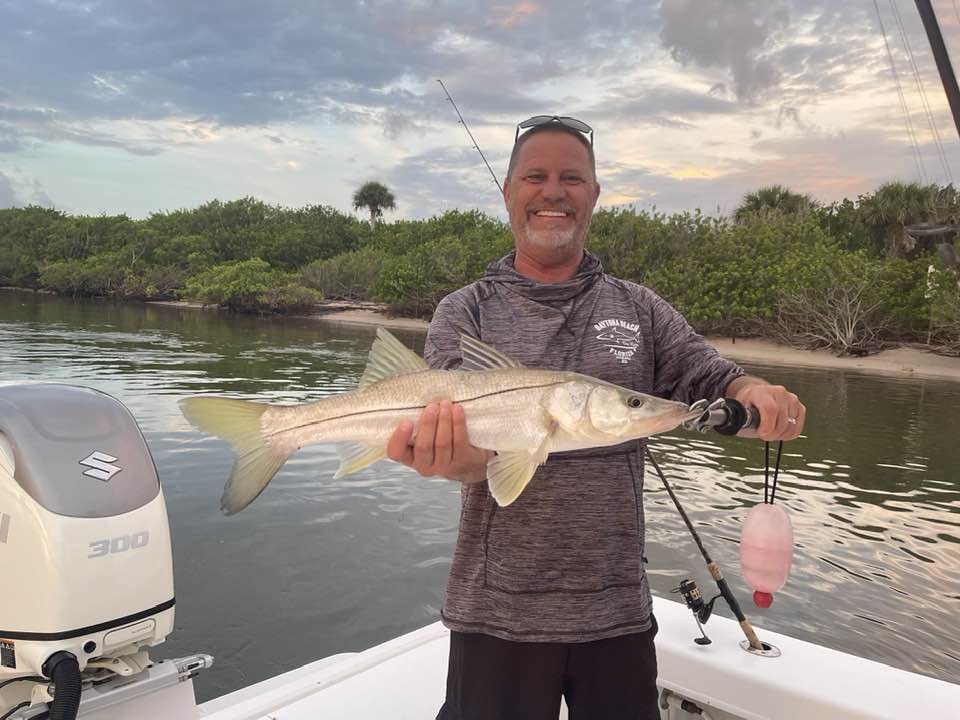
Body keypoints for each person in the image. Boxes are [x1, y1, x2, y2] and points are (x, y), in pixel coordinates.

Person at [386, 115, 806, 720]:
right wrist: (454, 461)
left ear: (594, 194)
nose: (553, 191)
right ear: (508, 193)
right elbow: (468, 458)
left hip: (617, 614)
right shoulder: (465, 310)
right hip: (495, 612)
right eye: (535, 176)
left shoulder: (639, 308)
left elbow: (708, 374)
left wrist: (756, 390)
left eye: (572, 178)